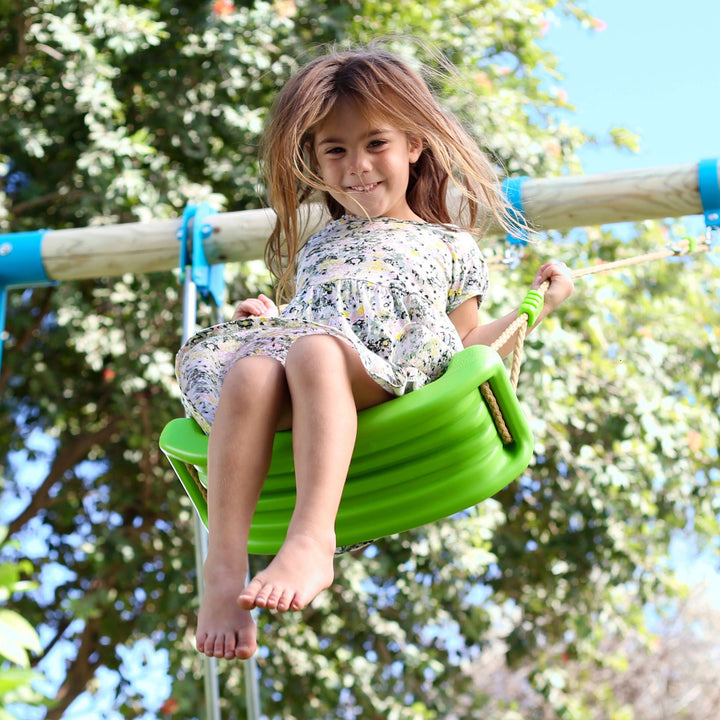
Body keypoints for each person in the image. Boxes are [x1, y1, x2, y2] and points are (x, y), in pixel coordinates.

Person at [175, 45, 574, 661]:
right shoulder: (319, 242)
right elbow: (318, 316)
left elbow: (467, 347)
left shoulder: (449, 245)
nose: (356, 166)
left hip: (386, 364)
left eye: (375, 144)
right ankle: (224, 566)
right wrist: (270, 323)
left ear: (414, 145)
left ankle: (312, 539)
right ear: (315, 159)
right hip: (314, 355)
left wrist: (534, 308)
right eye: (335, 150)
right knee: (253, 371)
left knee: (313, 353)